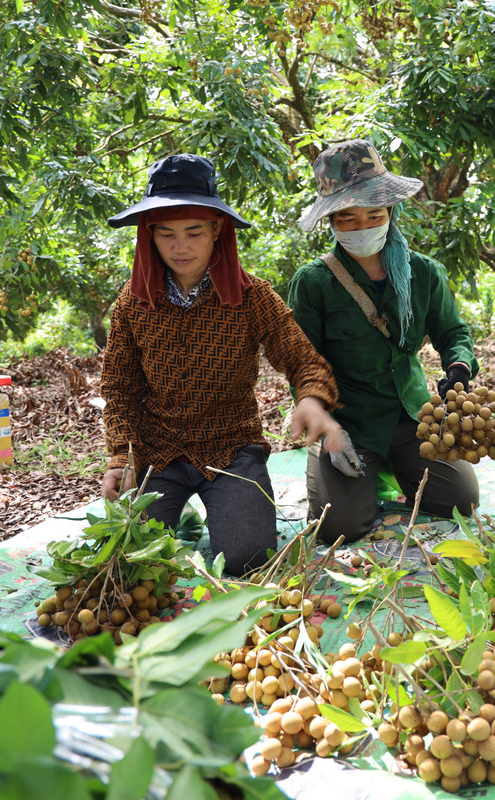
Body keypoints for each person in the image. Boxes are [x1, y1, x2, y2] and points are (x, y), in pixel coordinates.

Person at [100, 153, 354, 576]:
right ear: (149, 235)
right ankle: (179, 515)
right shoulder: (133, 302)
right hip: (156, 450)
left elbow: (300, 357)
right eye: (166, 235)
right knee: (129, 559)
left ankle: (216, 510)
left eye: (194, 232)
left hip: (230, 447)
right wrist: (120, 458)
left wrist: (312, 398)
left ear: (218, 230)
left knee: (245, 559)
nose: (180, 247)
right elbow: (119, 388)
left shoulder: (251, 296)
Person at [287, 139, 481, 544]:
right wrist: (327, 426)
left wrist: (458, 367)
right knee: (340, 528)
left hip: (412, 417)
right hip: (349, 422)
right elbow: (302, 361)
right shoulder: (313, 283)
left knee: (461, 502)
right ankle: (348, 478)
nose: (362, 227)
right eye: (348, 219)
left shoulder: (422, 272)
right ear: (332, 223)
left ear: (390, 212)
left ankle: (395, 468)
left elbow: (453, 332)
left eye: (373, 215)